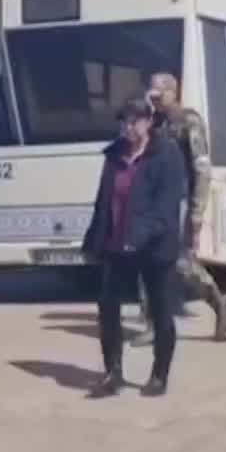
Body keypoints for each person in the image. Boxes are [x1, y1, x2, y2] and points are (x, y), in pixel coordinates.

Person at [80, 101, 185, 398]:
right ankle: (113, 373)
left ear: (148, 122)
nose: (128, 127)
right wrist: (93, 240)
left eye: (134, 121)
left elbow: (165, 208)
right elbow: (103, 202)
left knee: (160, 310)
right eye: (124, 121)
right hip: (117, 245)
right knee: (108, 308)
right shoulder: (114, 154)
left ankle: (159, 376)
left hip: (155, 247)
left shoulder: (167, 155)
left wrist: (138, 237)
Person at [136, 73, 226, 345]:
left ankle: (219, 302)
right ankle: (152, 324)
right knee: (146, 260)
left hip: (177, 201)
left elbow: (201, 167)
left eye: (158, 93)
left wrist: (197, 210)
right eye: (151, 93)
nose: (154, 97)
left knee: (181, 262)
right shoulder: (151, 122)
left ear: (172, 92)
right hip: (150, 202)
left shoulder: (187, 121)